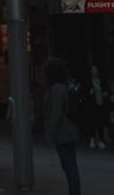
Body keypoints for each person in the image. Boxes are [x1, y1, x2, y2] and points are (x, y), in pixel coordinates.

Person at [42, 58, 83, 195]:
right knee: (69, 166)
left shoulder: (57, 89)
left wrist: (49, 135)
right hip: (66, 132)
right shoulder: (62, 87)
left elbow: (56, 113)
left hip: (63, 133)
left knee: (69, 167)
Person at [86, 63, 111, 150]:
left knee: (100, 123)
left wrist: (106, 93)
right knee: (92, 123)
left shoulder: (102, 80)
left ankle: (100, 140)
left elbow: (108, 89)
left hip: (101, 104)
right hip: (92, 105)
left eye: (96, 69)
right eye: (93, 70)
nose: (95, 71)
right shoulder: (88, 81)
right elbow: (84, 92)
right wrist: (89, 92)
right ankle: (92, 139)